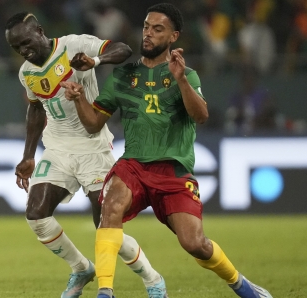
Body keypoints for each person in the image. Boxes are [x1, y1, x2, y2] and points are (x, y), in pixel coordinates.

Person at [61, 3, 273, 298]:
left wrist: (181, 79)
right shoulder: (123, 77)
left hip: (173, 171)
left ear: (174, 36)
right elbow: (93, 124)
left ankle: (241, 284)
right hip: (133, 166)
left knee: (195, 243)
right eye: (147, 27)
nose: (148, 34)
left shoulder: (186, 75)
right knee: (109, 209)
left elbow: (201, 116)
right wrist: (79, 98)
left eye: (157, 29)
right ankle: (105, 292)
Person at [5, 12, 167, 298]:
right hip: (57, 148)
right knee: (36, 214)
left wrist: (96, 60)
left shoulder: (73, 44)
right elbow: (35, 109)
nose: (24, 51)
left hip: (94, 146)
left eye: (26, 42)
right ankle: (80, 268)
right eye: (16, 48)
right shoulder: (25, 73)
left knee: (105, 226)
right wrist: (29, 155)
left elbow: (123, 49)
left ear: (40, 31)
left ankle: (153, 279)